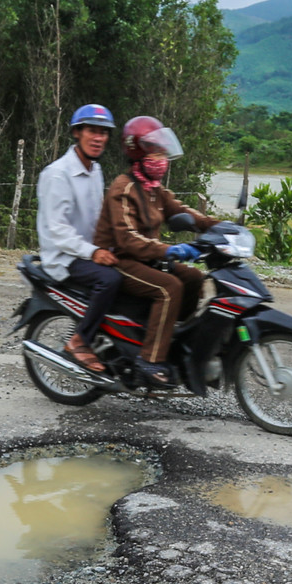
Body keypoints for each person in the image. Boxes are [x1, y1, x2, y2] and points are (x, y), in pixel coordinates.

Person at [92, 116, 218, 386]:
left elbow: (182, 210)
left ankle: (170, 339)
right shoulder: (123, 188)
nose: (161, 159)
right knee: (169, 288)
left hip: (147, 259)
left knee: (195, 278)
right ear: (137, 151)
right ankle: (148, 361)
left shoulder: (153, 188)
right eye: (155, 152)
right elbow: (127, 240)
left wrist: (220, 227)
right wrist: (170, 250)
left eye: (163, 153)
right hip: (120, 260)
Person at [35, 103, 122, 374]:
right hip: (64, 257)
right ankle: (79, 340)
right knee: (110, 279)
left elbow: (97, 216)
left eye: (104, 132)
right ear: (77, 133)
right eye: (92, 131)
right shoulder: (58, 174)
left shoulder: (94, 170)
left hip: (88, 250)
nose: (99, 138)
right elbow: (57, 229)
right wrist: (94, 252)